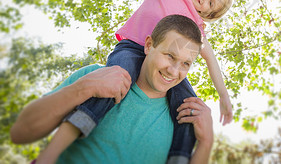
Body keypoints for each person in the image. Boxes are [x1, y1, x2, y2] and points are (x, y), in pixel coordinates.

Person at [32, 0, 233, 164]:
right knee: (111, 83)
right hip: (133, 49)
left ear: (207, 14)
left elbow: (211, 60)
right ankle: (52, 153)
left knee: (190, 108)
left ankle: (179, 158)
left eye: (211, 4)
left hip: (167, 63)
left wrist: (224, 96)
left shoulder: (197, 28)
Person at [10, 15, 214, 164]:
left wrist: (206, 142)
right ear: (149, 45)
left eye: (186, 64)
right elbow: (19, 133)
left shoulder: (183, 115)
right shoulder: (97, 76)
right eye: (170, 55)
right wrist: (83, 88)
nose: (174, 70)